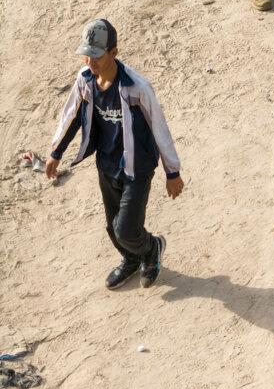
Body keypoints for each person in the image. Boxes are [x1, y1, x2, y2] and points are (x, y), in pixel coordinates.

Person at [46, 20, 184, 289]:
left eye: (96, 55)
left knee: (126, 229)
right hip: (107, 164)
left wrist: (173, 172)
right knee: (112, 227)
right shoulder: (85, 79)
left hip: (137, 167)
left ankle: (151, 248)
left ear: (114, 52)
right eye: (87, 54)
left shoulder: (136, 87)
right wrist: (56, 152)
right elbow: (71, 115)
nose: (90, 61)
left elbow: (159, 127)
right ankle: (131, 260)